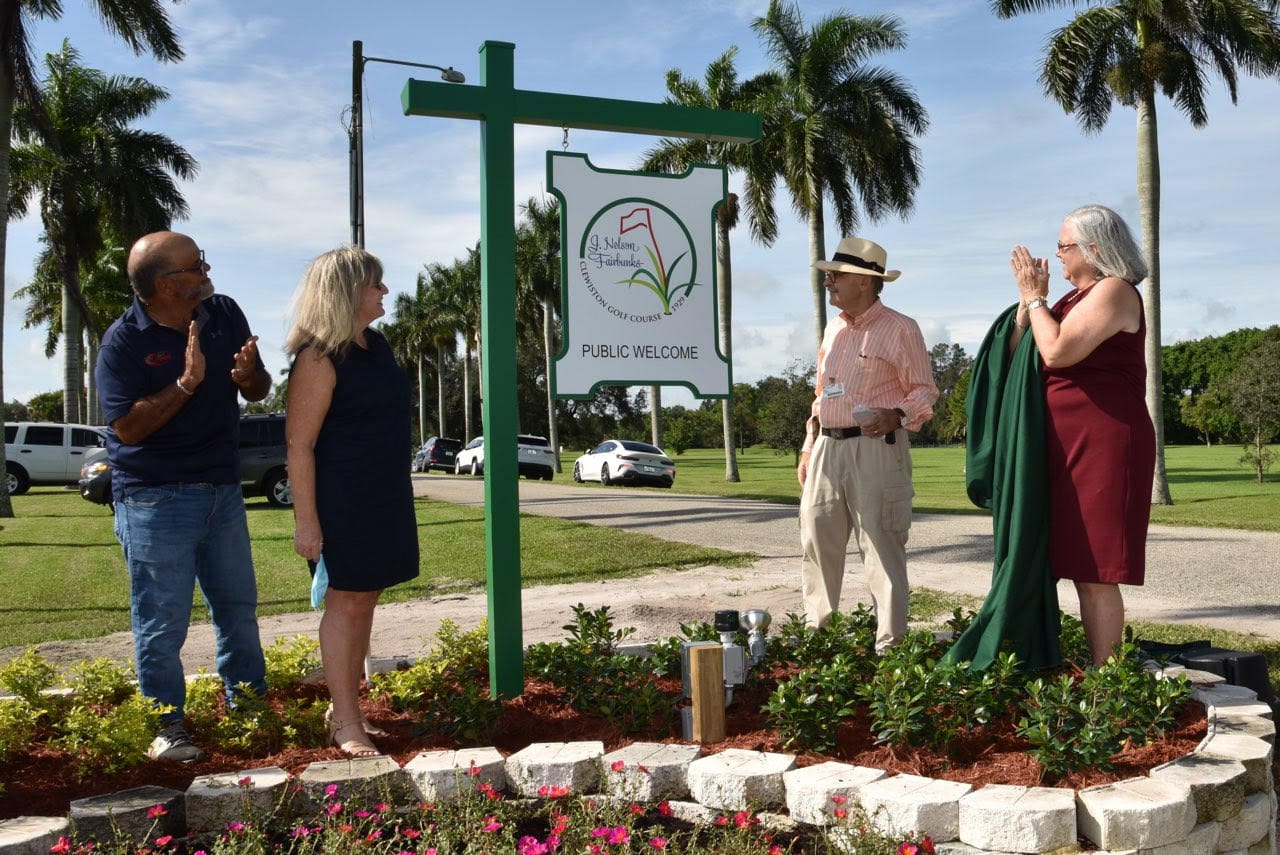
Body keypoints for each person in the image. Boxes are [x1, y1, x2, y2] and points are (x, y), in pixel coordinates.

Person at [96, 231, 271, 762]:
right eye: (196, 265)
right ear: (166, 284)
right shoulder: (123, 342)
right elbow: (126, 428)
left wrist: (251, 377)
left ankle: (248, 712)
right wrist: (186, 383)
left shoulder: (222, 312)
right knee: (162, 622)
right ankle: (166, 727)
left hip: (222, 489)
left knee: (238, 610)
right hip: (153, 498)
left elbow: (259, 389)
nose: (207, 270)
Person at [285, 247, 419, 757]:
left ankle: (349, 710)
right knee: (346, 602)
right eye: (374, 284)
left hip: (384, 494)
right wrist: (307, 523)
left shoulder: (375, 346)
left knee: (365, 599)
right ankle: (345, 724)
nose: (384, 291)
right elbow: (298, 446)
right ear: (345, 292)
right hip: (344, 501)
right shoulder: (319, 357)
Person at [1011, 205, 1154, 666]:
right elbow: (1021, 353)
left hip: (1103, 443)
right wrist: (1028, 304)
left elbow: (1055, 351)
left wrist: (1035, 299)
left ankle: (1105, 680)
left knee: (1095, 570)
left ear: (1094, 250)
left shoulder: (1115, 291)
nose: (1056, 254)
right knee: (1066, 560)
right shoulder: (1069, 301)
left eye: (1064, 245)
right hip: (1060, 444)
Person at [797, 237, 938, 652]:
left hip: (876, 448)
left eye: (836, 275)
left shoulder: (901, 328)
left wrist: (894, 415)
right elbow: (821, 392)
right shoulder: (834, 328)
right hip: (826, 448)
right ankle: (818, 643)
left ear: (865, 281)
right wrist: (808, 447)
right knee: (816, 542)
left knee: (880, 545)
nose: (829, 282)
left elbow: (925, 390)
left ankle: (890, 650)